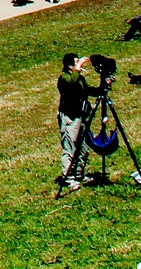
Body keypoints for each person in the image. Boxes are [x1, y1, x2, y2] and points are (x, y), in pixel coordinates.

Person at [57, 54, 91, 188]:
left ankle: (79, 174)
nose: (80, 64)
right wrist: (78, 68)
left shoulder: (79, 78)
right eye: (76, 62)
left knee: (83, 147)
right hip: (70, 117)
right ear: (70, 65)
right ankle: (68, 177)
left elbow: (86, 91)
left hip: (81, 115)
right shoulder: (64, 78)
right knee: (70, 147)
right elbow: (72, 85)